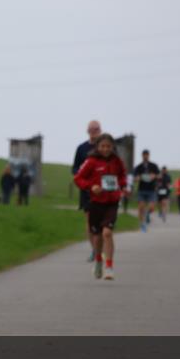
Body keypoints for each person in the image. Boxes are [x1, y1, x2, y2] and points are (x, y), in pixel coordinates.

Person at [73, 133, 127, 280]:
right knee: (97, 237)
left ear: (113, 147)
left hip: (112, 202)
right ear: (97, 146)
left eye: (108, 146)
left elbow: (123, 176)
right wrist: (91, 187)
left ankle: (109, 267)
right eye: (102, 146)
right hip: (96, 203)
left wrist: (122, 186)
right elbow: (78, 178)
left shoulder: (117, 161)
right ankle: (98, 260)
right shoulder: (91, 161)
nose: (105, 149)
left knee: (107, 233)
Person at [72, 120, 102, 261]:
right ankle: (94, 251)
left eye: (96, 129)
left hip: (103, 191)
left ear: (100, 130)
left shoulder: (106, 147)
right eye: (91, 129)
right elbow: (75, 168)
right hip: (87, 190)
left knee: (101, 222)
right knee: (90, 221)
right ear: (87, 131)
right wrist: (80, 175)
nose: (94, 132)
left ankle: (100, 248)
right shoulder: (81, 148)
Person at [132, 149, 160, 233]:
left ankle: (147, 215)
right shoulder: (139, 167)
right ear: (142, 156)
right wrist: (138, 178)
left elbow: (159, 175)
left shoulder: (153, 166)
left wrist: (154, 176)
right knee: (141, 208)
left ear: (149, 155)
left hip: (151, 190)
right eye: (144, 155)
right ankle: (142, 224)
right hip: (142, 190)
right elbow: (135, 178)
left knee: (151, 207)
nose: (145, 156)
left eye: (147, 154)